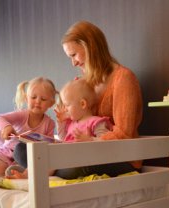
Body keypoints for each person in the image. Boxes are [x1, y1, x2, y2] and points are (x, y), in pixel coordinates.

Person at [13, 20, 143, 179]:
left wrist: (89, 142)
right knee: (21, 150)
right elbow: (71, 128)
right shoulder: (81, 84)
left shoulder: (123, 78)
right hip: (81, 150)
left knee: (72, 167)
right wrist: (64, 123)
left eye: (74, 55)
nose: (73, 63)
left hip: (117, 156)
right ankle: (49, 166)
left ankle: (42, 169)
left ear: (90, 47)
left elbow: (124, 133)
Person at [0, 77, 56, 176]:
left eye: (43, 99)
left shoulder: (49, 123)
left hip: (29, 155)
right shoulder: (22, 115)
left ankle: (18, 170)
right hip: (9, 152)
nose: (38, 101)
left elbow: (49, 144)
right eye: (33, 97)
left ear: (51, 103)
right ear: (26, 98)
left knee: (48, 169)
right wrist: (6, 127)